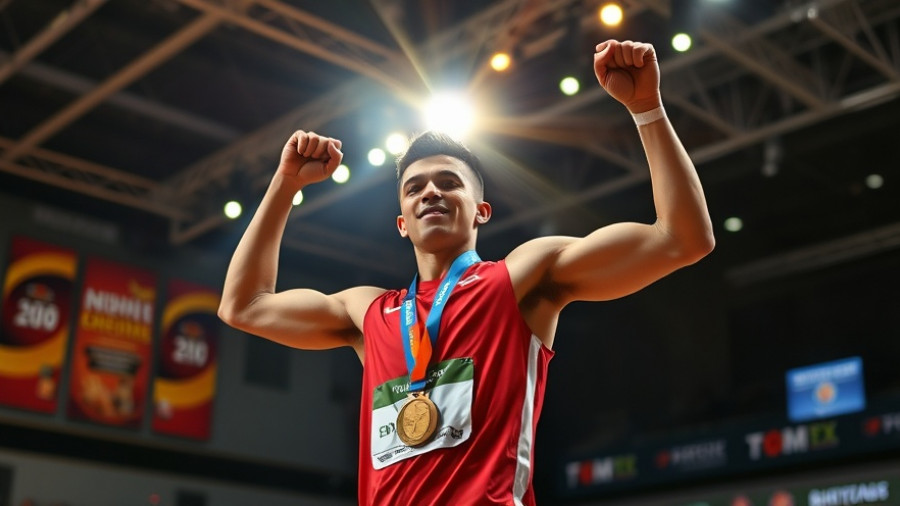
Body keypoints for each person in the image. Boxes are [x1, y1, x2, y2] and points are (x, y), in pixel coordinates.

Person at [218, 39, 715, 505]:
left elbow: (682, 239)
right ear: (401, 223)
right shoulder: (368, 312)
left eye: (448, 182)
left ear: (481, 210)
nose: (430, 192)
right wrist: (285, 186)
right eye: (414, 188)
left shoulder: (524, 277)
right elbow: (243, 306)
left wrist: (646, 108)